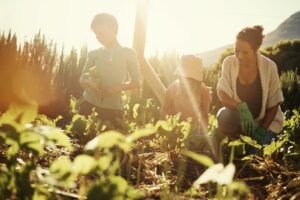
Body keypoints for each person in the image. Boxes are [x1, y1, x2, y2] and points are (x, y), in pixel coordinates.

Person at [217, 25, 284, 146]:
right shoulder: (229, 63)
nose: (239, 56)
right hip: (242, 120)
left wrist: (263, 128)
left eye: (245, 52)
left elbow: (275, 102)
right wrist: (241, 107)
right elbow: (222, 93)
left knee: (254, 155)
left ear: (256, 48)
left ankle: (259, 138)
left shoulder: (269, 67)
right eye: (236, 50)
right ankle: (236, 139)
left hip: (266, 123)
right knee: (224, 115)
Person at [79, 13, 141, 127]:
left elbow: (137, 81)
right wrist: (90, 83)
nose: (99, 37)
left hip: (113, 110)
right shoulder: (94, 53)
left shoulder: (129, 53)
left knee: (110, 144)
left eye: (101, 33)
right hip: (88, 106)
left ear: (114, 28)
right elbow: (82, 79)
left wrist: (120, 87)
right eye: (96, 34)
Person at [161, 55, 212, 134]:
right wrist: (166, 130)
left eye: (188, 78)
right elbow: (164, 110)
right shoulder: (172, 89)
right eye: (181, 77)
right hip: (174, 128)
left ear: (196, 80)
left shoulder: (203, 91)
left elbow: (204, 116)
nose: (183, 80)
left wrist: (204, 135)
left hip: (193, 129)